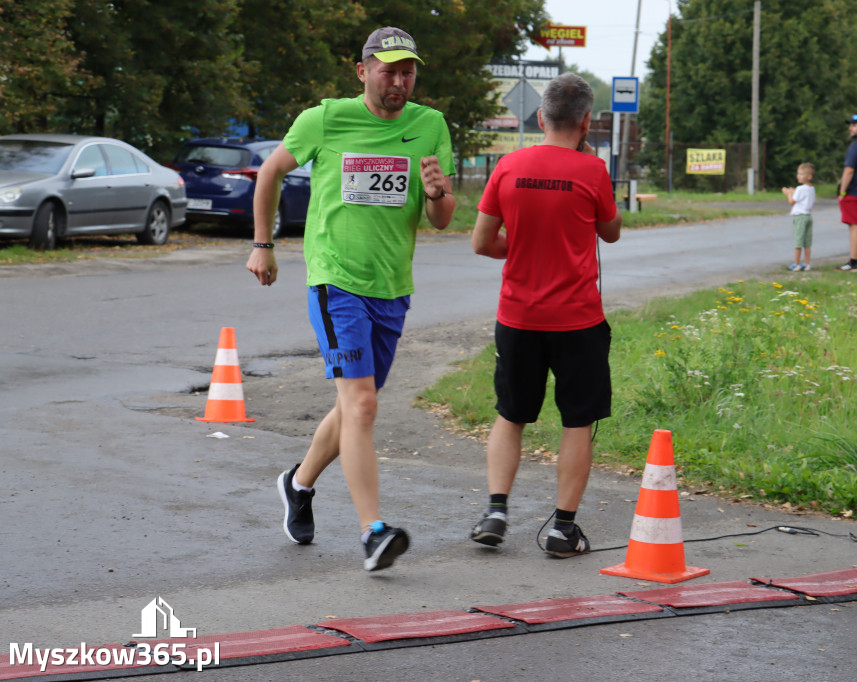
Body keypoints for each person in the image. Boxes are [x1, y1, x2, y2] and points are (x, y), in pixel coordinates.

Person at [245, 27, 456, 571]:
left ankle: (297, 483)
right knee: (362, 403)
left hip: (392, 286)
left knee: (352, 405)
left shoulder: (429, 126)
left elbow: (442, 217)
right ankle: (373, 532)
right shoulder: (325, 118)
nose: (399, 80)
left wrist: (436, 193)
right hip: (335, 281)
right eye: (388, 70)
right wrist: (263, 246)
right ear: (362, 71)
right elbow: (269, 172)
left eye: (408, 71)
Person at [469, 73, 623, 558]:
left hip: (518, 318)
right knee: (577, 422)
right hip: (577, 321)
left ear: (541, 118)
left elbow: (481, 242)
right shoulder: (593, 171)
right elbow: (611, 232)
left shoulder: (509, 166)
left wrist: (518, 246)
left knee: (510, 415)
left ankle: (496, 511)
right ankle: (563, 530)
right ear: (587, 122)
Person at [836, 114, 857, 272]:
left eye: (855, 125)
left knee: (853, 226)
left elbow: (849, 170)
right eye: (851, 125)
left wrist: (842, 192)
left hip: (853, 193)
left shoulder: (855, 146)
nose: (851, 128)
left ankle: (853, 262)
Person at [781, 162, 816, 271]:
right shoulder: (811, 189)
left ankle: (796, 264)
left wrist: (788, 193)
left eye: (801, 174)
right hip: (808, 216)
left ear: (809, 176)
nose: (798, 176)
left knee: (798, 241)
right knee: (807, 242)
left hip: (800, 216)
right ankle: (806, 263)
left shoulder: (800, 188)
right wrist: (793, 192)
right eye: (798, 174)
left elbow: (792, 201)